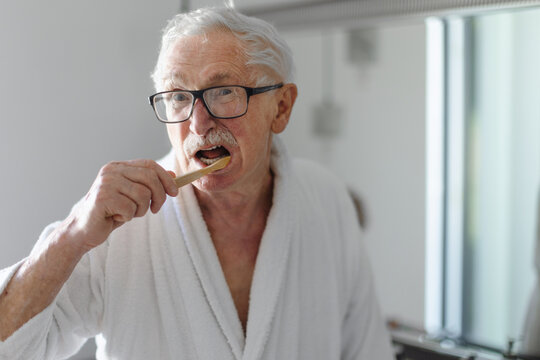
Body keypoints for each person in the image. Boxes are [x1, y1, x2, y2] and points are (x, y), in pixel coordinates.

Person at [0, 6, 394, 360]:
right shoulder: (118, 226)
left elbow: (367, 350)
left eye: (224, 92)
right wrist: (72, 235)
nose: (198, 122)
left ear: (282, 107)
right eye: (176, 97)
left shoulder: (326, 200)